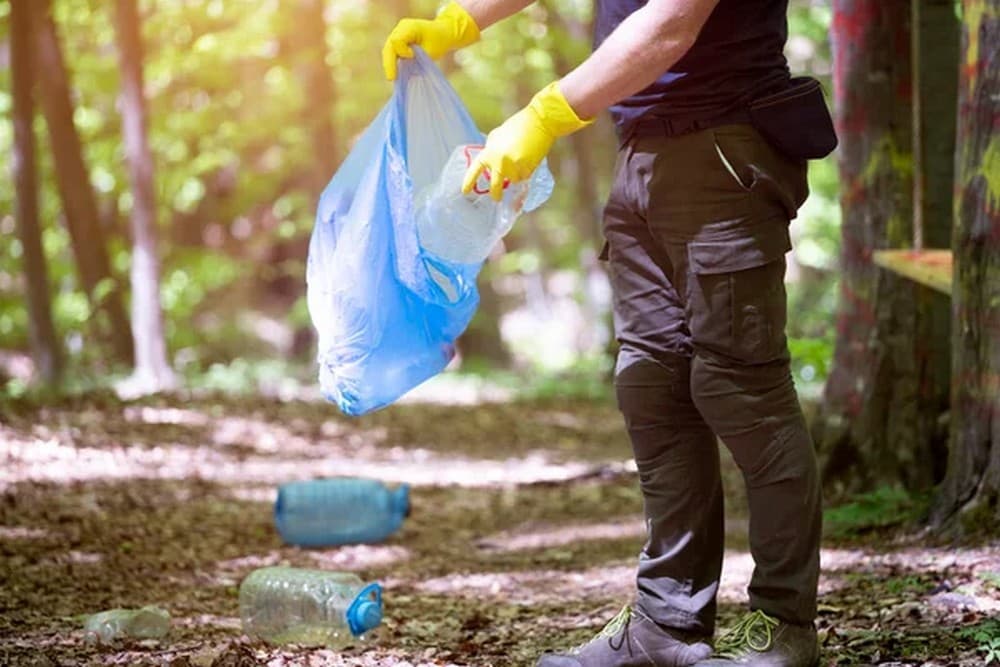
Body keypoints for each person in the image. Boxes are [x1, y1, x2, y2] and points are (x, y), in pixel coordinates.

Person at [383, 1, 824, 665]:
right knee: (652, 386)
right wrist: (461, 19)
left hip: (726, 147)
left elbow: (672, 24)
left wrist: (543, 115)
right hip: (642, 150)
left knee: (743, 391)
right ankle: (665, 626)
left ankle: (782, 628)